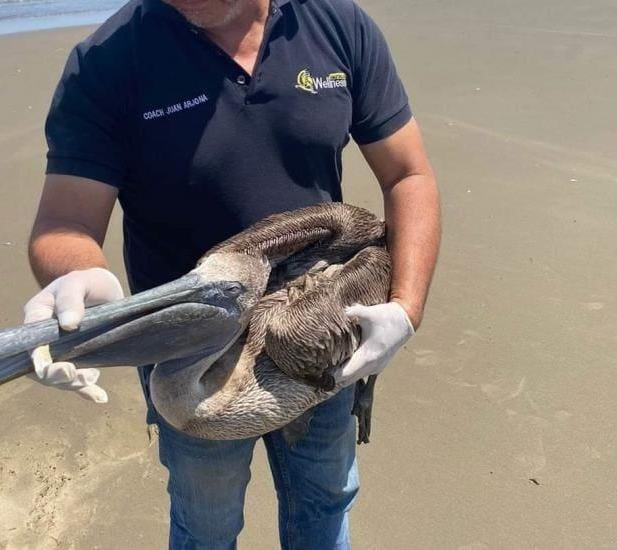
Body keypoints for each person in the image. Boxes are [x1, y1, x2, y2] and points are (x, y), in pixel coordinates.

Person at [23, 0, 441, 547]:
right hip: (191, 356)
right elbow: (66, 221)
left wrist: (404, 310)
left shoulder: (335, 24)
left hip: (323, 328)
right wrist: (78, 279)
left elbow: (409, 174)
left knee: (326, 501)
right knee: (206, 523)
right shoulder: (108, 61)